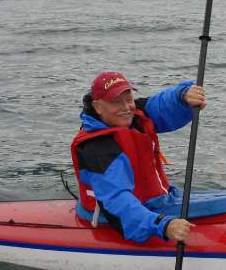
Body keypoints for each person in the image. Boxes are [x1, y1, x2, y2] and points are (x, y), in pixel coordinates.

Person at [70, 71, 206, 244]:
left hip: (155, 201)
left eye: (128, 99)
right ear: (97, 106)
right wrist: (163, 225)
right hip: (116, 217)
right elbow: (117, 200)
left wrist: (183, 96)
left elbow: (160, 105)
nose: (126, 108)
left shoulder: (132, 115)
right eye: (116, 102)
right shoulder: (97, 148)